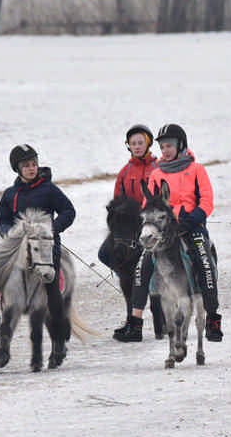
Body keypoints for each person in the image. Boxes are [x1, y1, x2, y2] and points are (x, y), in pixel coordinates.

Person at [114, 123, 223, 343]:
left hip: (191, 226)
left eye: (169, 146)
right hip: (163, 230)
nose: (165, 150)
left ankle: (212, 318)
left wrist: (191, 220)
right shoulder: (156, 173)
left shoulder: (196, 170)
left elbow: (207, 201)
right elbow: (149, 204)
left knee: (204, 262)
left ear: (180, 145)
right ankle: (135, 323)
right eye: (162, 147)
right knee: (142, 267)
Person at [0, 144, 76, 348]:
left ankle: (59, 336)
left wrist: (52, 229)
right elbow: (1, 220)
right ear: (17, 169)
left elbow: (68, 211)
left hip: (45, 246)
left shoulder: (49, 190)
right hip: (18, 247)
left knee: (51, 285)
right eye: (27, 165)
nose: (31, 168)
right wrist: (8, 233)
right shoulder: (10, 194)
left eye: (34, 164)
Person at [95, 125, 163, 339]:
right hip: (128, 226)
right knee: (106, 253)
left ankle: (160, 312)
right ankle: (131, 310)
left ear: (148, 143)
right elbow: (117, 200)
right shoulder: (125, 171)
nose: (137, 147)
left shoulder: (159, 167)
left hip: (151, 223)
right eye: (133, 144)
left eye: (140, 142)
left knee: (153, 263)